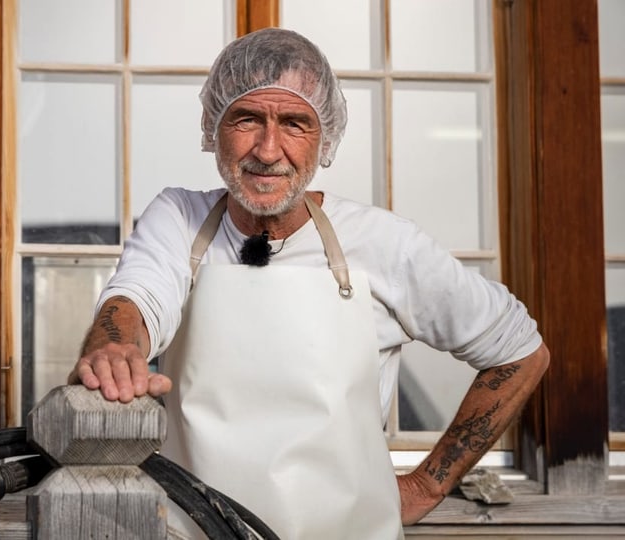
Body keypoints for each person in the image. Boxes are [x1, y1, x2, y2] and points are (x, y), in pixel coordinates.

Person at [68, 27, 549, 539]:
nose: (268, 150)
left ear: (325, 138)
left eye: (294, 123)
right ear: (214, 125)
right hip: (197, 532)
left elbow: (519, 351)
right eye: (247, 119)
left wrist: (427, 486)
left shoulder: (387, 244)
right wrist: (113, 349)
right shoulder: (178, 218)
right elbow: (138, 296)